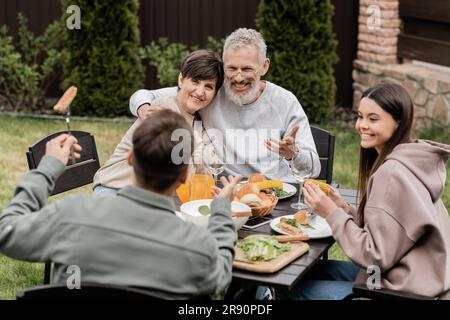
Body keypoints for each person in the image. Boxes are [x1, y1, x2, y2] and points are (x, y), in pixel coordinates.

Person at [0, 109, 242, 299]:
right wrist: (220, 210)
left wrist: (48, 167)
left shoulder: (72, 214)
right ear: (183, 174)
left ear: (130, 158)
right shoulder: (196, 247)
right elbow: (220, 276)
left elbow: (7, 232)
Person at [281, 82, 450, 299]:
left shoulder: (392, 174)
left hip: (402, 291)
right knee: (306, 271)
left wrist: (331, 214)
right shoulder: (409, 161)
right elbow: (389, 233)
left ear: (398, 122)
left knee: (291, 291)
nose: (362, 125)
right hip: (406, 277)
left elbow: (374, 256)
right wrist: (344, 208)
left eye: (373, 119)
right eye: (360, 116)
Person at [129, 28, 320, 182]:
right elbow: (143, 95)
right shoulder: (210, 93)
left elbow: (313, 169)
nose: (238, 77)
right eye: (231, 68)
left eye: (247, 69)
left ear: (264, 66)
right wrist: (145, 110)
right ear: (223, 65)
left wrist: (292, 154)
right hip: (225, 192)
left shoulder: (284, 101)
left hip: (275, 193)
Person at [93, 49, 224, 196]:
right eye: (195, 81)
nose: (200, 92)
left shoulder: (198, 121)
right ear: (181, 80)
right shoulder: (164, 110)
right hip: (115, 189)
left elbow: (200, 173)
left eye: (208, 87)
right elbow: (181, 169)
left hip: (146, 198)